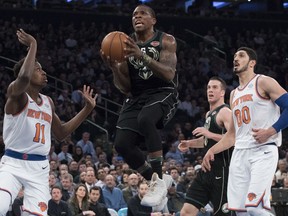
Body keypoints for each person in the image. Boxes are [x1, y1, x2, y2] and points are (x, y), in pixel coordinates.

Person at [0, 29, 97, 216]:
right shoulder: (16, 95)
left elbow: (61, 133)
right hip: (13, 162)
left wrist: (87, 109)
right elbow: (24, 78)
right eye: (38, 68)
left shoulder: (48, 102)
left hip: (39, 167)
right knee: (1, 207)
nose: (43, 72)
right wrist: (33, 44)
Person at [101, 4, 178, 207]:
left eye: (143, 13)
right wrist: (115, 69)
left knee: (146, 119)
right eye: (134, 14)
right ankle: (156, 180)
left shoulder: (166, 40)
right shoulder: (125, 43)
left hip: (162, 92)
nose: (137, 16)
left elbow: (169, 74)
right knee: (122, 144)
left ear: (153, 20)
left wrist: (141, 54)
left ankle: (159, 180)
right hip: (136, 95)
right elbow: (125, 87)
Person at [202, 47, 288, 216]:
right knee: (240, 211)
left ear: (252, 63)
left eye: (241, 56)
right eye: (234, 56)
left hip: (262, 150)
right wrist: (211, 150)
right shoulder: (233, 94)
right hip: (240, 153)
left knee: (255, 207)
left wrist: (271, 130)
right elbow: (232, 135)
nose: (236, 58)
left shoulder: (263, 82)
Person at [178, 77, 232, 216]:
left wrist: (209, 133)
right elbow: (208, 140)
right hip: (206, 171)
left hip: (223, 171)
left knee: (221, 213)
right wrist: (190, 144)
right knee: (186, 212)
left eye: (214, 87)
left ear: (222, 93)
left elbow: (235, 139)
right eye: (208, 87)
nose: (210, 90)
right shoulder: (209, 114)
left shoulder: (225, 112)